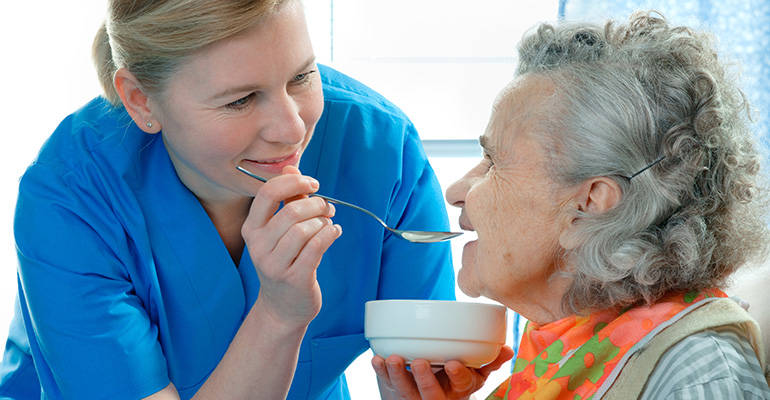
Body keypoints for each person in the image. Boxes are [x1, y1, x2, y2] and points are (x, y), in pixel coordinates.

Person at [0, 0, 458, 399]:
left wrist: (436, 383)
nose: (293, 129)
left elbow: (421, 372)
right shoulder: (71, 199)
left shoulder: (381, 152)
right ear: (141, 101)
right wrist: (279, 314)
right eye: (240, 101)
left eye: (301, 76)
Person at [372, 11, 770, 400]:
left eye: (493, 161)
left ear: (589, 204)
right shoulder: (567, 345)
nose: (457, 190)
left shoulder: (694, 374)